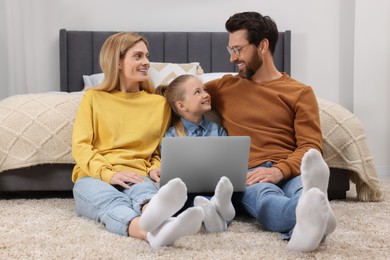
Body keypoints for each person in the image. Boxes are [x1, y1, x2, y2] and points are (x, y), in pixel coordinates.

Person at [204, 12, 337, 252]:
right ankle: (318, 219)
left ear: (262, 45)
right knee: (265, 200)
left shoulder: (300, 92)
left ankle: (309, 215)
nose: (233, 58)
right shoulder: (224, 86)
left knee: (303, 191)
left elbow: (311, 147)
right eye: (230, 50)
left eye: (238, 49)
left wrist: (279, 170)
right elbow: (178, 94)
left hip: (291, 167)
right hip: (250, 172)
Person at [71, 32, 204, 248]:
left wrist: (155, 168)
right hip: (94, 176)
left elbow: (158, 151)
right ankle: (151, 232)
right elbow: (81, 146)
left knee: (145, 193)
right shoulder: (93, 98)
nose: (146, 62)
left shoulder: (158, 104)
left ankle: (156, 219)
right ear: (118, 61)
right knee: (110, 202)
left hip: (138, 174)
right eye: (138, 56)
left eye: (147, 56)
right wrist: (109, 174)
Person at [154, 74, 236, 233]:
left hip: (214, 188)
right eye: (197, 92)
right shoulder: (172, 136)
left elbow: (226, 164)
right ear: (182, 105)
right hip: (187, 193)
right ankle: (217, 215)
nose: (206, 94)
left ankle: (218, 210)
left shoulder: (217, 130)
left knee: (223, 195)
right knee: (188, 202)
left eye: (204, 89)